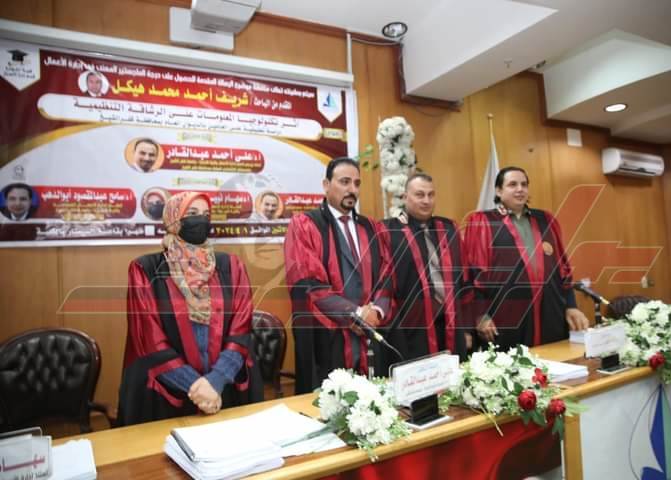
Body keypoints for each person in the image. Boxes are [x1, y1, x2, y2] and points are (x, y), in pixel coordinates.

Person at [118, 191, 262, 426]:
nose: (201, 220)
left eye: (206, 214)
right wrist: (197, 388)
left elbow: (240, 330)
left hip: (224, 389)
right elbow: (150, 340)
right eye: (192, 213)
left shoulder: (230, 265)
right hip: (169, 395)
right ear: (173, 219)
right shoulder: (146, 269)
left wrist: (215, 381)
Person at [284, 157, 392, 394]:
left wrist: (376, 311)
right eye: (344, 182)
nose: (352, 189)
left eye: (357, 183)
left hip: (370, 335)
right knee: (332, 403)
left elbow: (387, 275)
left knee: (374, 401)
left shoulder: (372, 228)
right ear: (326, 185)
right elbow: (308, 283)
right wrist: (356, 314)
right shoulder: (305, 225)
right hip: (328, 339)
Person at [464, 166, 588, 351]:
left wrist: (571, 305)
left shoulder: (546, 220)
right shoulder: (483, 221)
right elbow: (474, 273)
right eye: (512, 184)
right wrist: (480, 315)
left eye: (524, 184)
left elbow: (562, 268)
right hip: (507, 316)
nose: (520, 189)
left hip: (550, 312)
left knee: (555, 361)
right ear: (498, 191)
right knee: (515, 365)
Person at [377, 173, 469, 374]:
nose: (426, 201)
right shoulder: (388, 231)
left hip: (450, 324)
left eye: (431, 195)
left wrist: (467, 327)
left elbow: (464, 278)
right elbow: (383, 284)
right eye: (419, 195)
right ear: (405, 197)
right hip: (411, 329)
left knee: (454, 381)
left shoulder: (448, 228)